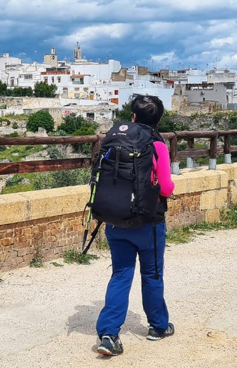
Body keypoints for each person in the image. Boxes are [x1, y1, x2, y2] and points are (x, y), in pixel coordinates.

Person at [95, 94, 175, 357]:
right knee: (151, 275)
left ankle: (109, 335)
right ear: (158, 119)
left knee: (120, 275)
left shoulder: (114, 139)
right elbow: (165, 187)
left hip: (115, 220)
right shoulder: (158, 145)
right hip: (148, 223)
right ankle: (158, 327)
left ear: (133, 117)